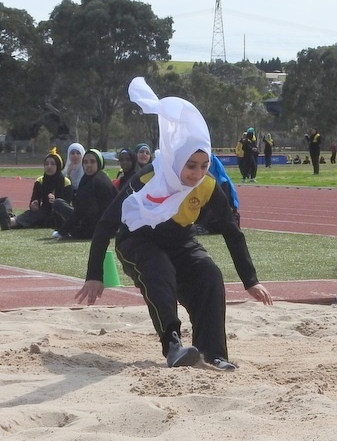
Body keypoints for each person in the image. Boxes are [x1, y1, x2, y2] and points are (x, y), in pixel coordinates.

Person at [75, 77, 272, 371]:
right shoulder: (147, 179)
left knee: (209, 273)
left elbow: (232, 231)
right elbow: (106, 223)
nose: (196, 174)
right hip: (137, 241)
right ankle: (173, 346)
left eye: (204, 166)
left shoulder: (207, 186)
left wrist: (250, 280)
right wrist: (94, 275)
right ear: (176, 159)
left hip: (180, 241)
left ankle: (213, 354)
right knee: (160, 270)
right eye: (190, 166)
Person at [52, 149, 118, 240]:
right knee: (58, 203)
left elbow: (80, 212)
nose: (88, 165)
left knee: (58, 204)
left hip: (94, 230)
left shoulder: (97, 181)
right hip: (104, 227)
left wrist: (62, 232)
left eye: (92, 162)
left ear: (99, 163)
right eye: (85, 162)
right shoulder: (91, 178)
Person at [0, 148, 73, 230]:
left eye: (52, 164)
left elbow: (67, 204)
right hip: (43, 211)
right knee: (33, 214)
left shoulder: (66, 182)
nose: (49, 166)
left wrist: (56, 201)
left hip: (58, 214)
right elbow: (34, 200)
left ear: (58, 166)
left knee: (46, 217)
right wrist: (33, 204)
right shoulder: (40, 181)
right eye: (46, 164)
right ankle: (10, 222)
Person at [195, 153, 241, 234]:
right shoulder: (199, 180)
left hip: (219, 216)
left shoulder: (222, 182)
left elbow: (220, 207)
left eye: (205, 164)